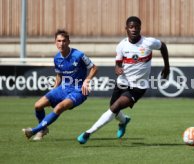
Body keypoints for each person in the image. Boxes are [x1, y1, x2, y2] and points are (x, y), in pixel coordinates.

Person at [77, 16, 170, 144]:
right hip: (122, 82)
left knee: (115, 107)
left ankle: (88, 133)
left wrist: (167, 66)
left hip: (138, 87)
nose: (134, 29)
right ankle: (124, 121)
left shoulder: (148, 42)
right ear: (126, 28)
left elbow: (163, 46)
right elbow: (118, 62)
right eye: (131, 27)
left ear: (140, 28)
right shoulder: (122, 45)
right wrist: (117, 68)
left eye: (136, 27)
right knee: (113, 107)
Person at [22, 29, 98, 141]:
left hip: (78, 90)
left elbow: (94, 68)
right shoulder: (57, 58)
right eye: (58, 41)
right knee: (38, 105)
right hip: (63, 88)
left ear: (68, 42)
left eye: (63, 41)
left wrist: (87, 81)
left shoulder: (78, 55)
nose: (61, 43)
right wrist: (54, 90)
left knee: (59, 108)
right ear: (55, 42)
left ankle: (34, 131)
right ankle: (43, 129)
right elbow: (59, 76)